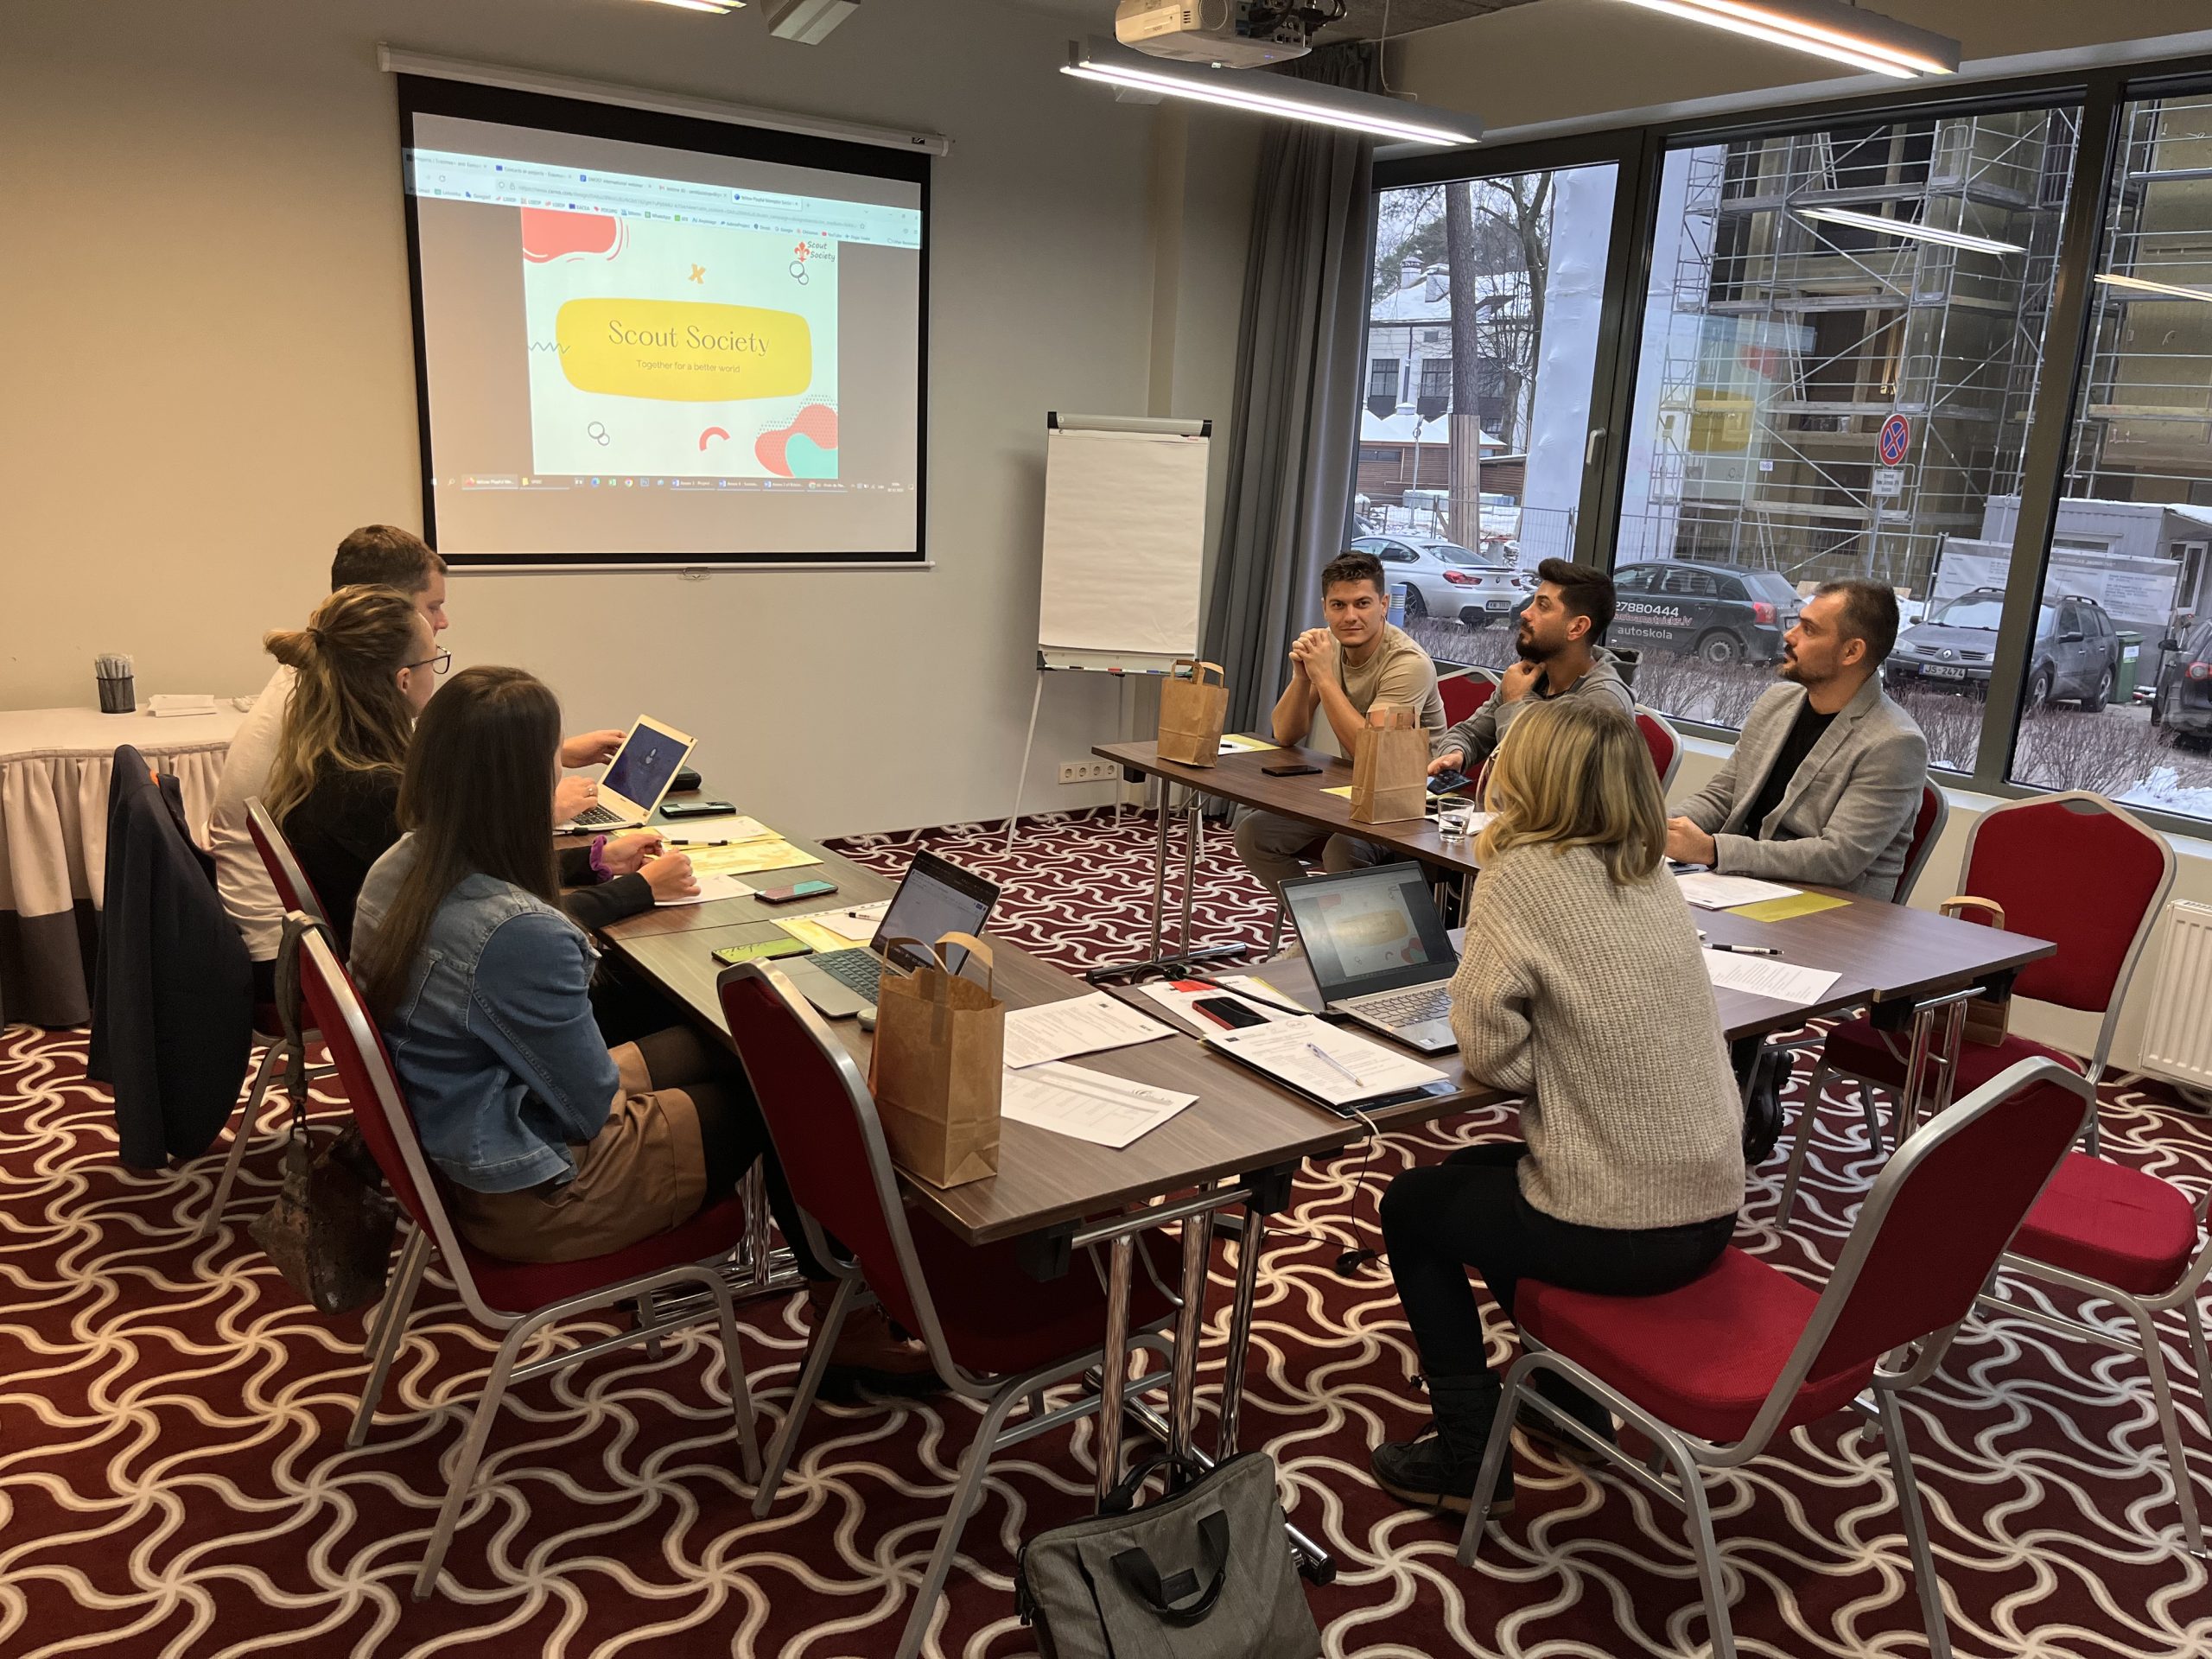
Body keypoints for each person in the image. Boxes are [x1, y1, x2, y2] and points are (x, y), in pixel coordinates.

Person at [350, 665, 927, 1380]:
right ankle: (851, 1327)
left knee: (740, 1049)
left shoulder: (399, 864)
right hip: (539, 1191)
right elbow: (589, 1104)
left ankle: (842, 1300)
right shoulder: (521, 931)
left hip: (477, 1127)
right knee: (784, 1094)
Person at [1370, 698, 1744, 1517]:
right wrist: (1588, 1067)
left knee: (1412, 1206)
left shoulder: (1524, 871)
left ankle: (1466, 1456)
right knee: (1484, 1179)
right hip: (1712, 1207)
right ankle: (1569, 1401)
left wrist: (1565, 1070)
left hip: (1619, 1229)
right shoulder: (1649, 869)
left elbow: (1489, 1054)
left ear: (1530, 775)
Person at [209, 524, 627, 995]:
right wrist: (543, 810)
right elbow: (486, 910)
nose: (442, 622)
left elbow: (462, 862)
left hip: (328, 941)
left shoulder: (329, 724)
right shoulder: (367, 789)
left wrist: (593, 856)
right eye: (432, 612)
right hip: (354, 968)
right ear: (402, 677)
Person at [1665, 579, 1929, 901]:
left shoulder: (1895, 743)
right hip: (1742, 887)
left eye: (1809, 630)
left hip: (1830, 909)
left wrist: (1713, 850)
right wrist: (1656, 829)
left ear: (1851, 651)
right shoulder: (1777, 703)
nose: (1789, 636)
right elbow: (1723, 797)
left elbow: (1837, 858)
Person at [1232, 550, 1447, 897]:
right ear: (1324, 608)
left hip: (1413, 802)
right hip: (1354, 790)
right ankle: (1319, 924)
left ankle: (1356, 931)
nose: (1350, 617)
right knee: (1254, 834)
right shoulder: (1329, 646)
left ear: (1383, 605)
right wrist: (1303, 677)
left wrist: (1324, 678)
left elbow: (1375, 756)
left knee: (1343, 850)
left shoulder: (1408, 663)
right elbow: (1285, 733)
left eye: (1362, 604)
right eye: (1338, 605)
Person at [1427, 560, 1637, 782]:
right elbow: (1469, 734)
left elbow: (1538, 782)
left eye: (1543, 606)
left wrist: (1515, 702)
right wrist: (1456, 754)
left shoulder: (1604, 702)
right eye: (1533, 602)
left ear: (1577, 628)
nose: (1525, 613)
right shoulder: (1535, 673)